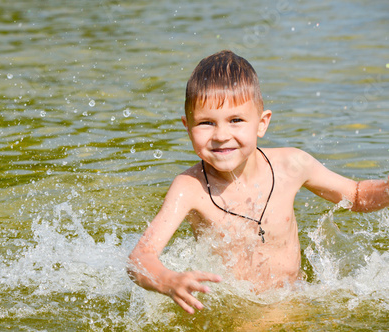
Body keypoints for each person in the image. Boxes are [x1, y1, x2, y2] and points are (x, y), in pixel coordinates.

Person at [127, 50, 389, 314]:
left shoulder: (292, 165)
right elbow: (140, 258)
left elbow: (355, 196)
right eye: (206, 123)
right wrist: (168, 280)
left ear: (261, 124)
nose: (221, 135)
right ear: (187, 126)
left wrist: (387, 189)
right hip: (238, 315)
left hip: (296, 303)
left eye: (236, 120)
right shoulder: (189, 188)